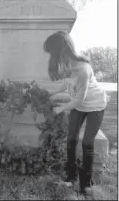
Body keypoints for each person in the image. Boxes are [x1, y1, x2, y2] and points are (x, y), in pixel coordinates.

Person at [43, 31, 107, 195]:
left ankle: (86, 182)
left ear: (62, 50)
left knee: (87, 142)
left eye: (52, 52)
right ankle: (70, 177)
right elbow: (64, 85)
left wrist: (60, 108)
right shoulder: (66, 65)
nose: (51, 57)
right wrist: (47, 94)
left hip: (95, 105)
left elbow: (79, 100)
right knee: (71, 139)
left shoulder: (84, 69)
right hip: (79, 104)